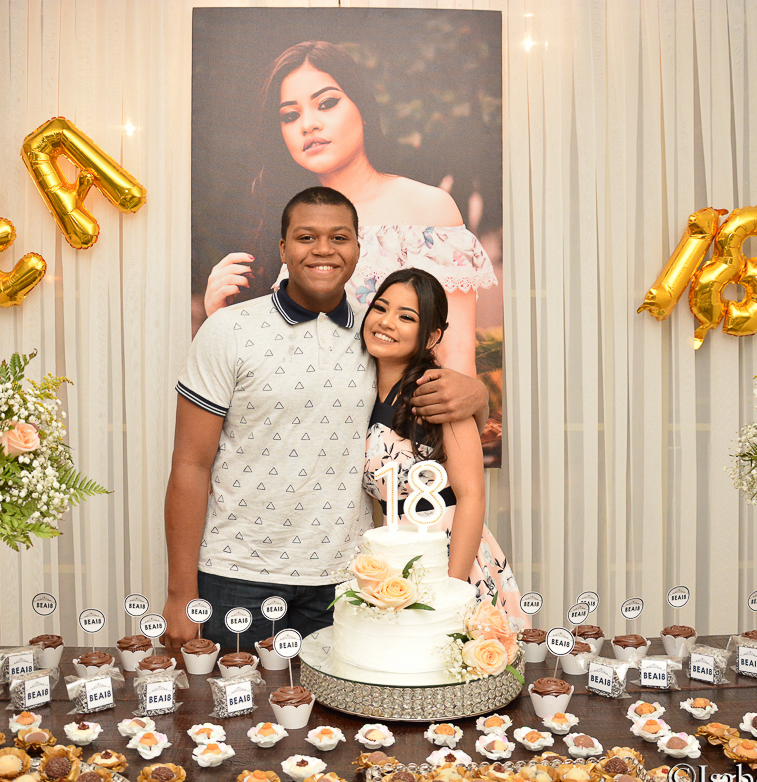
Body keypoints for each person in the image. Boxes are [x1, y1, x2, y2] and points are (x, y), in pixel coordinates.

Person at [162, 187, 488, 651]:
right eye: (305, 237)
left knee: (341, 700)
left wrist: (479, 395)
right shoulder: (228, 330)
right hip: (236, 574)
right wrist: (180, 593)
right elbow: (190, 465)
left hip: (349, 580)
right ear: (283, 249)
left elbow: (433, 391)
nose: (322, 250)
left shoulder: (375, 336)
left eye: (338, 237)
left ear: (357, 248)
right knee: (231, 695)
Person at [203, 40, 496, 384]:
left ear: (364, 110)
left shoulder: (427, 209)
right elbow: (264, 375)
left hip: (398, 415)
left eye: (326, 103)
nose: (308, 125)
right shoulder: (286, 227)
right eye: (290, 116)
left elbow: (456, 362)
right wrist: (220, 318)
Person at [361, 267, 527, 625]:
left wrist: (450, 587)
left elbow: (472, 497)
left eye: (406, 317)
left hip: (450, 555)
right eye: (381, 308)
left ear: (432, 336)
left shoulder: (442, 394)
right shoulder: (359, 392)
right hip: (393, 558)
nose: (386, 322)